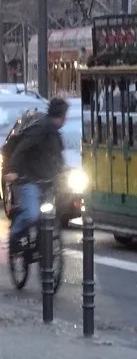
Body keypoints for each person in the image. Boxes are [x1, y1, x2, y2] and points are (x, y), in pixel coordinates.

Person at [3, 98, 68, 250]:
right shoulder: (39, 130)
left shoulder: (55, 134)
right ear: (59, 116)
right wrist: (11, 170)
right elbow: (21, 150)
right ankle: (14, 233)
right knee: (31, 214)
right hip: (29, 178)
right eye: (63, 116)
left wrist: (61, 173)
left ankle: (42, 245)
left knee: (49, 213)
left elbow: (58, 157)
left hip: (45, 180)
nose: (64, 120)